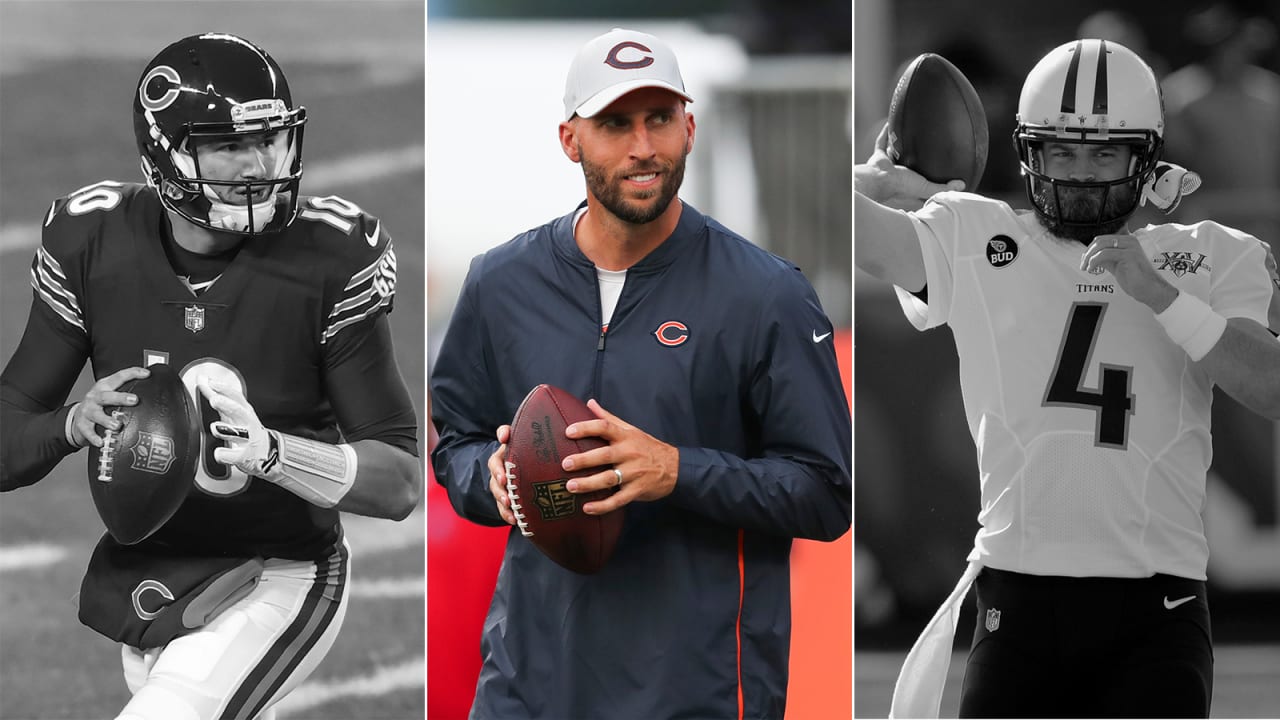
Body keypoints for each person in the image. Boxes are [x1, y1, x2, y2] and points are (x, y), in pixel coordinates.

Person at [429, 27, 851, 719]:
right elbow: (458, 444)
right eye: (615, 124)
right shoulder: (499, 284)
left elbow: (828, 493)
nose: (642, 147)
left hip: (699, 687)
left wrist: (674, 470)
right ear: (570, 139)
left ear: (690, 127)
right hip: (530, 682)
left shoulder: (766, 293)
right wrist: (496, 479)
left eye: (659, 119)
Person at [0, 33, 421, 720]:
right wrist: (70, 425)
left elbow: (400, 479)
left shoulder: (331, 257)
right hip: (154, 576)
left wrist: (273, 454)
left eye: (270, 140)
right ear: (164, 156)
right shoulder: (91, 240)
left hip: (280, 575)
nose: (258, 165)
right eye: (229, 146)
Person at [854, 38, 1280, 718]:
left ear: (1145, 159)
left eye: (1104, 152)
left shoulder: (1208, 257)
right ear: (1028, 154)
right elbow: (848, 232)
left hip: (1157, 607)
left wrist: (1166, 299)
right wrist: (872, 181)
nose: (1081, 174)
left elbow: (1273, 388)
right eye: (1063, 151)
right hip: (1019, 603)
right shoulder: (979, 235)